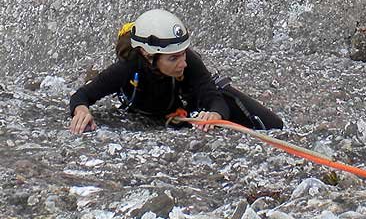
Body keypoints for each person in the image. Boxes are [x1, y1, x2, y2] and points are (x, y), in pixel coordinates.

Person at [69, 9, 283, 135]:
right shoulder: (128, 68)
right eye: (173, 58)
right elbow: (83, 95)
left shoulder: (190, 60)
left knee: (274, 126)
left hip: (184, 107)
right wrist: (81, 111)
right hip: (159, 110)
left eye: (182, 54)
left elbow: (213, 97)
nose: (183, 63)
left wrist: (214, 115)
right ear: (148, 55)